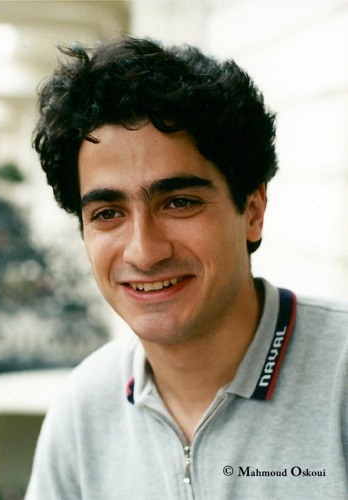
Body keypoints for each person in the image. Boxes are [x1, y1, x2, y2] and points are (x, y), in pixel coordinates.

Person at [25, 36, 348, 499]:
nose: (143, 252)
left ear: (252, 211)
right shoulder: (83, 411)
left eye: (178, 202)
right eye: (108, 213)